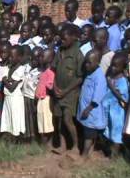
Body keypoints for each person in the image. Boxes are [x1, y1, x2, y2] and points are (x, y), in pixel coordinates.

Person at [52, 24, 83, 153]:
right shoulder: (59, 51)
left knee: (67, 118)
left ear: (73, 38)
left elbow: (80, 77)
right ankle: (62, 145)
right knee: (59, 120)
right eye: (61, 39)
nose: (62, 41)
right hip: (58, 91)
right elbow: (53, 70)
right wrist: (54, 87)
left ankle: (75, 146)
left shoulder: (78, 54)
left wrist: (66, 91)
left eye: (64, 39)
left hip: (71, 93)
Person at [77, 49, 107, 158]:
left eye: (89, 62)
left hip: (91, 111)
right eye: (86, 62)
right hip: (86, 109)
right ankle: (89, 152)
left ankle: (84, 155)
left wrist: (88, 109)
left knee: (89, 134)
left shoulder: (99, 77)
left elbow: (98, 95)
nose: (86, 65)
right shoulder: (90, 73)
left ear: (97, 62)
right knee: (88, 132)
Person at [103, 52, 130, 157]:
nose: (112, 68)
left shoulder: (123, 81)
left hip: (117, 113)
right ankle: (109, 152)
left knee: (116, 134)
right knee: (109, 131)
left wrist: (111, 87)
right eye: (112, 65)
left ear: (122, 67)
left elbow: (124, 99)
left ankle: (114, 156)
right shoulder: (111, 77)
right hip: (108, 110)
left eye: (116, 66)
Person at [1, 45, 26, 137]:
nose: (9, 58)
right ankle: (9, 137)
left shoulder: (21, 69)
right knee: (8, 118)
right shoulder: (9, 67)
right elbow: (8, 81)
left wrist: (5, 80)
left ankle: (17, 138)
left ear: (19, 57)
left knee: (15, 118)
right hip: (8, 97)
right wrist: (8, 80)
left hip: (15, 98)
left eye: (12, 56)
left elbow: (12, 88)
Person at [35, 48, 55, 145]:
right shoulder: (43, 71)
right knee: (41, 120)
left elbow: (51, 87)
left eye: (43, 56)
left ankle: (47, 142)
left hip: (46, 99)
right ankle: (43, 142)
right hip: (40, 99)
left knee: (46, 121)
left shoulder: (50, 72)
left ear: (50, 58)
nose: (40, 58)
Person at [22, 47, 41, 141]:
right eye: (32, 58)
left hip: (34, 97)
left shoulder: (41, 71)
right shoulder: (26, 66)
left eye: (36, 59)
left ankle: (36, 136)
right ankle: (28, 136)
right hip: (25, 95)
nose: (34, 61)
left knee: (34, 116)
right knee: (26, 116)